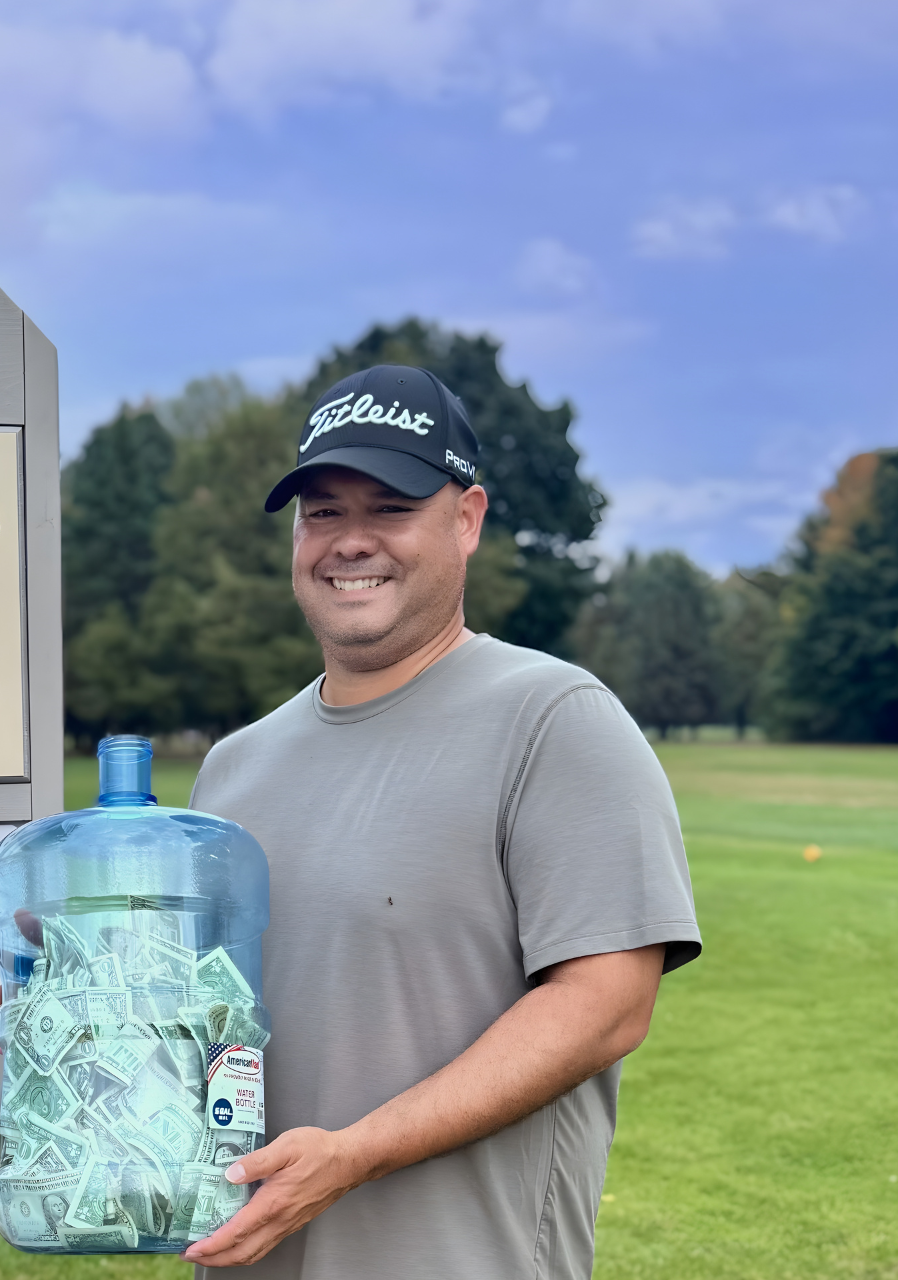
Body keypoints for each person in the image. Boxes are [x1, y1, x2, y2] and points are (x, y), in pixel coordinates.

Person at [172, 365, 702, 1276]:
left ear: (467, 520)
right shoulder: (234, 768)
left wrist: (356, 1154)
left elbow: (607, 1005)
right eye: (324, 512)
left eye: (390, 507)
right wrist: (92, 994)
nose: (351, 541)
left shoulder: (554, 719)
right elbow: (212, 1024)